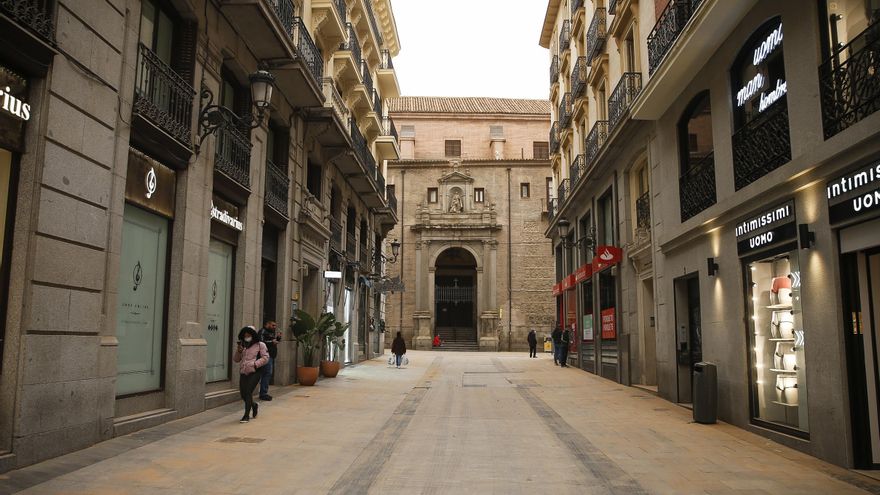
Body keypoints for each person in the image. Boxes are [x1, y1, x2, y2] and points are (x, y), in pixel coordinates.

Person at [233, 326, 269, 423]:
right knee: (243, 394)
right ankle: (254, 405)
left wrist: (255, 364)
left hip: (255, 372)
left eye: (248, 335)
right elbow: (236, 360)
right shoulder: (243, 345)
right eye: (245, 336)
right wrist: (239, 351)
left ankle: (246, 415)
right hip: (243, 372)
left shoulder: (260, 345)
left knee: (248, 392)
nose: (247, 337)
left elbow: (265, 357)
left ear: (253, 335)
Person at [257, 318, 281, 401]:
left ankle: (263, 392)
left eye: (275, 325)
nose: (274, 327)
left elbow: (274, 341)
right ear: (267, 324)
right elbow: (261, 342)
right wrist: (272, 342)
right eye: (273, 325)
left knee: (266, 374)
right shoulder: (263, 331)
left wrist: (278, 338)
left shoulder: (270, 332)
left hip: (271, 356)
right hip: (265, 356)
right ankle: (263, 394)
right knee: (267, 373)